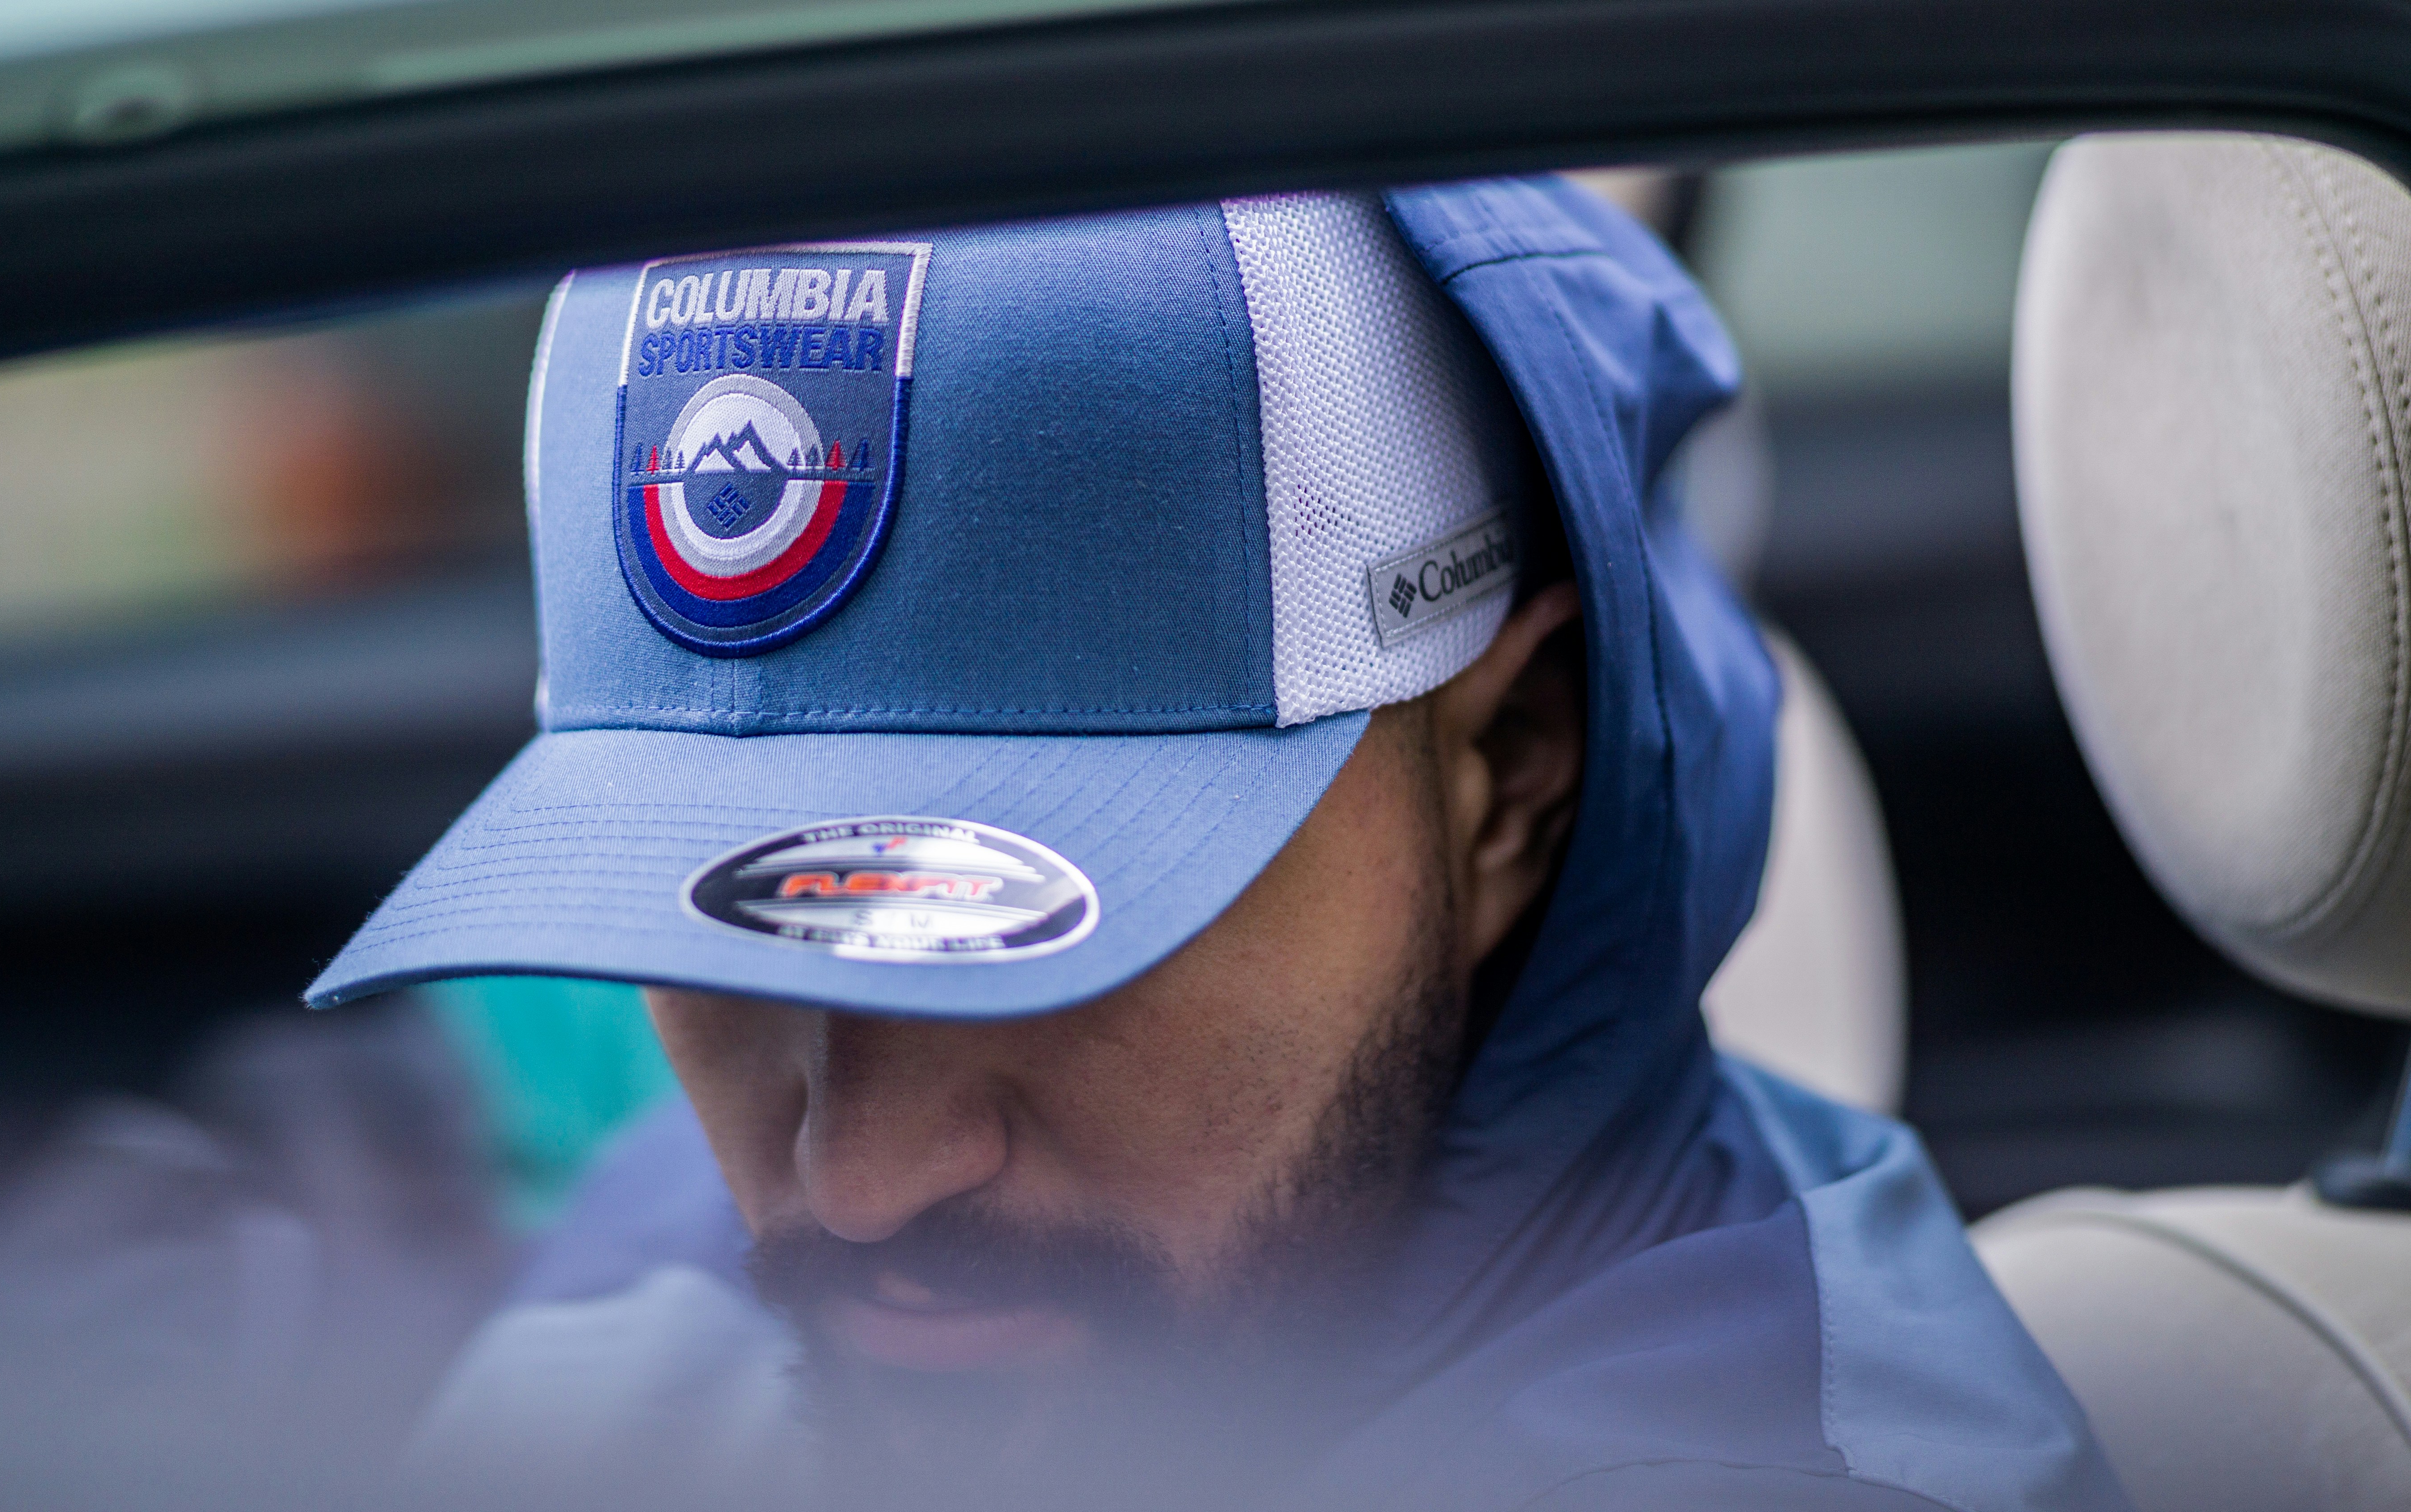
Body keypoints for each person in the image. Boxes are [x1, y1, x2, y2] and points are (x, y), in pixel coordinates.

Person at [310, 182, 2130, 1511]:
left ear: (1508, 771)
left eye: (1026, 924)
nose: (853, 1177)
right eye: (749, 928)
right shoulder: (673, 1236)